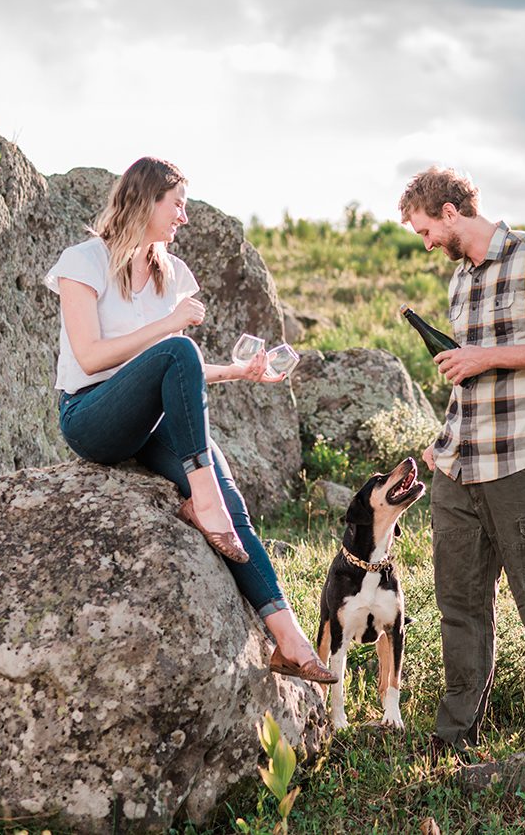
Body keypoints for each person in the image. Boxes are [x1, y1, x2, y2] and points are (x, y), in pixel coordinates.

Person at [44, 156, 335, 684]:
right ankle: (202, 502)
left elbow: (180, 370)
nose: (183, 216)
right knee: (177, 349)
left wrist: (238, 372)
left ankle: (288, 641)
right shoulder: (82, 261)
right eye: (176, 204)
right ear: (147, 200)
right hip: (91, 415)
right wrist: (171, 323)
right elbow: (89, 357)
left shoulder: (171, 273)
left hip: (149, 421)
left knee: (232, 509)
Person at [399, 166, 525, 784]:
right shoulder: (459, 282)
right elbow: (475, 380)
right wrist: (443, 441)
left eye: (426, 228)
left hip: (524, 462)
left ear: (452, 213)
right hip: (460, 466)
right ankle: (453, 740)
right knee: (459, 605)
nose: (425, 241)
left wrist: (487, 355)